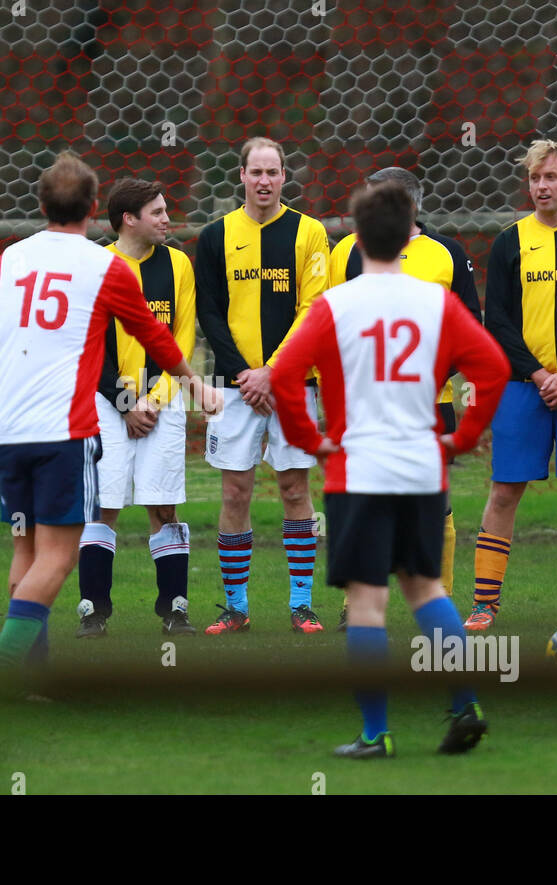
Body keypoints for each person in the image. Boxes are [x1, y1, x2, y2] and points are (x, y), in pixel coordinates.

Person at [272, 181, 509, 757]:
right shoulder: (439, 303)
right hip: (422, 469)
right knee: (426, 588)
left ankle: (377, 733)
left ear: (354, 238)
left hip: (359, 472)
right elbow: (494, 369)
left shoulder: (336, 305)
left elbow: (283, 376)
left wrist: (312, 441)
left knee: (366, 603)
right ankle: (466, 700)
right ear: (410, 235)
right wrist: (462, 439)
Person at [0, 152, 220, 673]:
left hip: (6, 425)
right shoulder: (102, 264)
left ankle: (31, 669)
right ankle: (3, 666)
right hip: (63, 426)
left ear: (41, 202)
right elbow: (154, 334)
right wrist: (197, 384)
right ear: (96, 207)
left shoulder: (12, 257)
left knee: (25, 550)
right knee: (58, 555)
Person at [465, 140, 557, 632]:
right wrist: (539, 374)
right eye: (535, 179)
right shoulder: (510, 240)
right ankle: (484, 604)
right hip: (522, 387)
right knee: (505, 490)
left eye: (551, 177)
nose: (542, 187)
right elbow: (498, 319)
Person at [328, 166, 482, 629]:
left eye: (380, 202)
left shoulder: (446, 254)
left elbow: (474, 334)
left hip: (428, 407)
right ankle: (355, 604)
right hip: (365, 408)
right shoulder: (345, 253)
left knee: (438, 505)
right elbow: (331, 329)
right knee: (366, 502)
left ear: (410, 207)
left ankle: (442, 596)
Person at [195, 136, 331, 635]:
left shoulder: (310, 233)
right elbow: (209, 311)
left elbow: (313, 310)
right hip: (235, 388)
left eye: (273, 172)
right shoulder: (214, 236)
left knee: (296, 488)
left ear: (284, 176)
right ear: (242, 176)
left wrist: (274, 371)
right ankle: (236, 608)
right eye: (256, 172)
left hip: (293, 384)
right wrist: (245, 375)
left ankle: (301, 604)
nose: (265, 181)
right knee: (235, 492)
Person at [74, 179, 198, 638]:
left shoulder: (179, 265)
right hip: (107, 403)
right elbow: (89, 347)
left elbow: (181, 340)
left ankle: (175, 609)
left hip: (162, 401)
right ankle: (93, 610)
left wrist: (155, 398)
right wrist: (126, 402)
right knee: (103, 506)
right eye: (159, 212)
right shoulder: (96, 266)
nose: (168, 219)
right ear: (130, 218)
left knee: (163, 506)